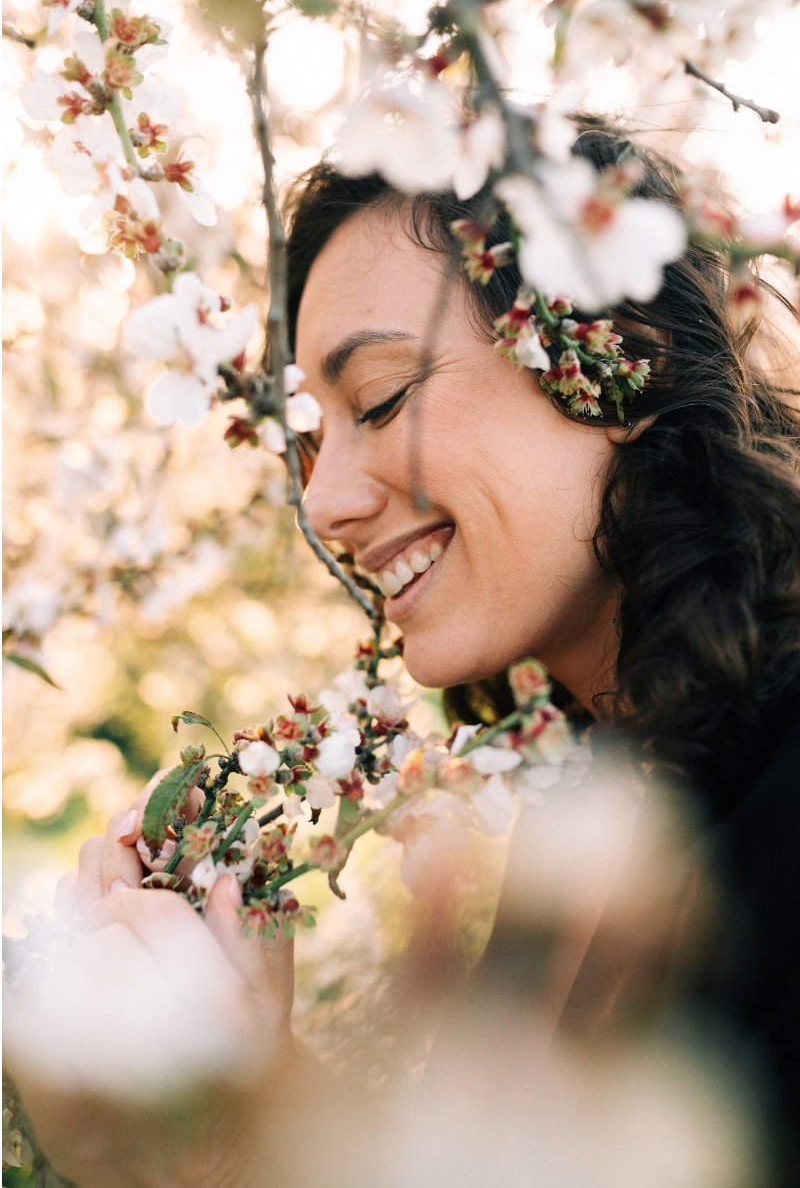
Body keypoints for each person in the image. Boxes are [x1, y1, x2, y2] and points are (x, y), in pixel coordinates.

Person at [10, 119, 800, 1186]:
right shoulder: (595, 781)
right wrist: (243, 1093)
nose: (326, 502)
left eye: (378, 400)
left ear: (620, 361)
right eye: (310, 440)